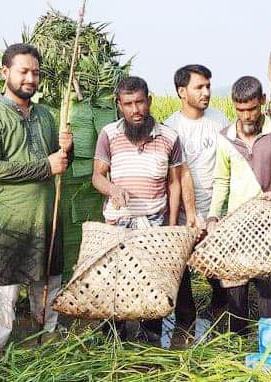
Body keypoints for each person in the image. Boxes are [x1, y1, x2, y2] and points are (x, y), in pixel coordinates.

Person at [0, 43, 73, 350]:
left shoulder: (45, 115)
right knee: (4, 295)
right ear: (6, 73)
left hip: (47, 217)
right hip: (11, 223)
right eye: (24, 71)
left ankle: (46, 347)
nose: (31, 78)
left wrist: (67, 148)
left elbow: (61, 163)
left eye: (36, 72)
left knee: (49, 290)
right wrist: (46, 165)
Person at [91, 76, 185, 345]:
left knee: (152, 284)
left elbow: (174, 182)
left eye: (140, 102)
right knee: (113, 282)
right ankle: (113, 338)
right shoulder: (108, 134)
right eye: (128, 104)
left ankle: (150, 340)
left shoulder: (169, 137)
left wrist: (169, 224)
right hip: (117, 223)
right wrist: (113, 190)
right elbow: (98, 176)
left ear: (149, 101)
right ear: (119, 105)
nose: (136, 110)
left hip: (154, 222)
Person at [206, 75, 271, 334]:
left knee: (269, 286)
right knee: (236, 286)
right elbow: (221, 180)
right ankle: (238, 338)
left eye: (251, 109)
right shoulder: (225, 137)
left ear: (262, 102)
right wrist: (214, 216)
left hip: (269, 223)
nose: (246, 115)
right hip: (236, 223)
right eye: (240, 110)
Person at [163, 65, 229, 339]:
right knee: (182, 271)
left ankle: (223, 316)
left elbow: (229, 165)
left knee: (219, 270)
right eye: (199, 87)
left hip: (216, 212)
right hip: (183, 215)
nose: (206, 92)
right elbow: (173, 177)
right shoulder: (170, 127)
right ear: (182, 91)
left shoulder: (220, 120)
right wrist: (182, 216)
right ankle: (185, 322)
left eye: (208, 86)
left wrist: (215, 213)